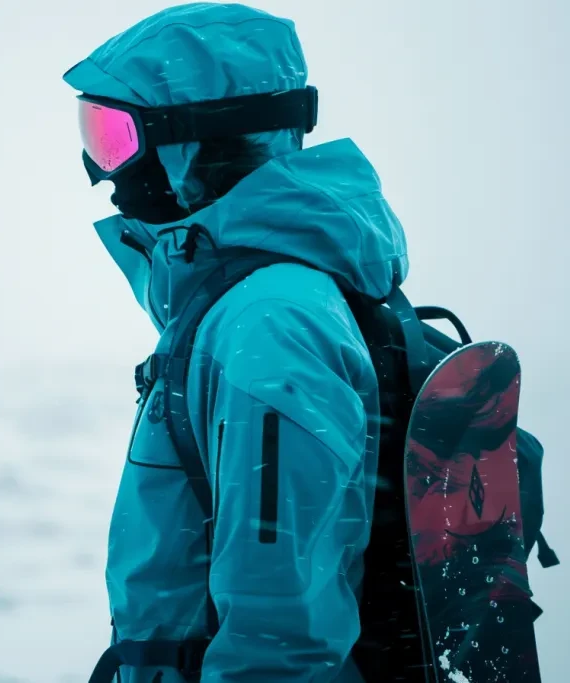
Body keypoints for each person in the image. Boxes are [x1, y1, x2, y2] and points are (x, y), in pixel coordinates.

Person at [65, 3, 410, 682]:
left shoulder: (269, 326)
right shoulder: (243, 304)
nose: (100, 170)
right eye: (92, 134)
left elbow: (278, 637)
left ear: (193, 142)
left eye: (114, 137)